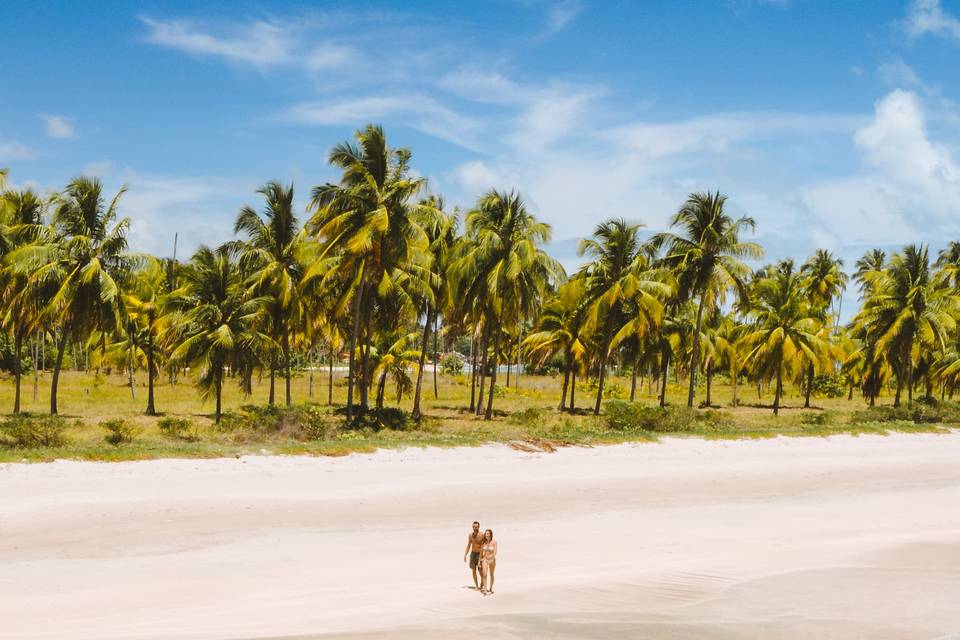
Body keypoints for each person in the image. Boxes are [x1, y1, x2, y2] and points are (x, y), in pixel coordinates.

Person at [463, 521, 484, 589]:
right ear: (472, 527)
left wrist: (481, 556)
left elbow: (482, 546)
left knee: (480, 570)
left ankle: (482, 582)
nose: (475, 528)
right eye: (474, 527)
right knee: (473, 570)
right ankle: (477, 586)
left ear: (478, 527)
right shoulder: (470, 535)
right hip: (473, 554)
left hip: (479, 554)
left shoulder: (481, 535)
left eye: (476, 527)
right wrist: (465, 554)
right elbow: (469, 545)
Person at [480, 528, 497, 595]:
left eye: (488, 534)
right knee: (484, 574)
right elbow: (481, 552)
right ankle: (485, 590)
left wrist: (491, 556)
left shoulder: (494, 542)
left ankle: (491, 588)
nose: (486, 535)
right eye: (486, 534)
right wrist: (479, 561)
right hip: (485, 559)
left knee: (491, 574)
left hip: (492, 560)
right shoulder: (484, 542)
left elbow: (495, 551)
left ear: (490, 534)